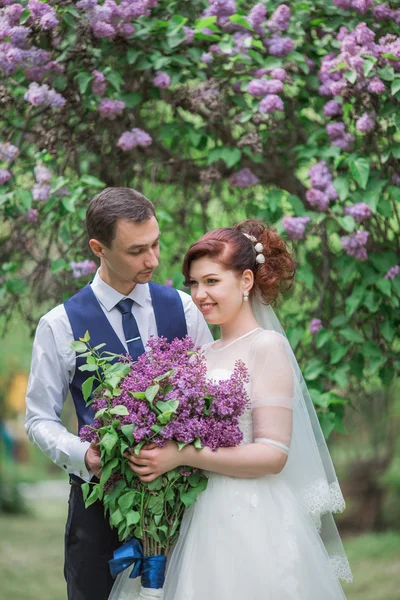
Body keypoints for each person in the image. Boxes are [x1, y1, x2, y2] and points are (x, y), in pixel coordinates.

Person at [119, 219, 352, 599]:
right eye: (194, 283)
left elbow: (273, 455)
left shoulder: (267, 347)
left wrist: (181, 456)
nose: (199, 294)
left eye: (211, 281)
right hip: (200, 514)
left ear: (246, 281)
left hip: (253, 517)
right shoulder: (200, 356)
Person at [24, 187, 213, 600]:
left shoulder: (184, 309)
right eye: (137, 250)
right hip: (98, 509)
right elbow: (38, 418)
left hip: (184, 503)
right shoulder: (58, 325)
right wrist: (85, 456)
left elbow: (209, 394)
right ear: (99, 248)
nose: (154, 260)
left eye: (156, 244)